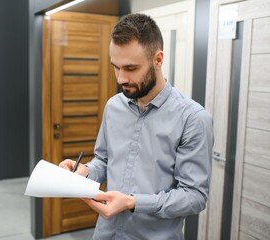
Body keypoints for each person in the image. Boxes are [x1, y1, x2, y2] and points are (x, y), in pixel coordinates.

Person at [59, 13, 213, 239]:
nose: (120, 78)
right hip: (106, 234)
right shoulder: (114, 106)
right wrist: (86, 171)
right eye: (116, 67)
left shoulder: (193, 119)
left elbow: (194, 197)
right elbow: (104, 160)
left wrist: (132, 202)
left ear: (158, 60)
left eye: (130, 68)